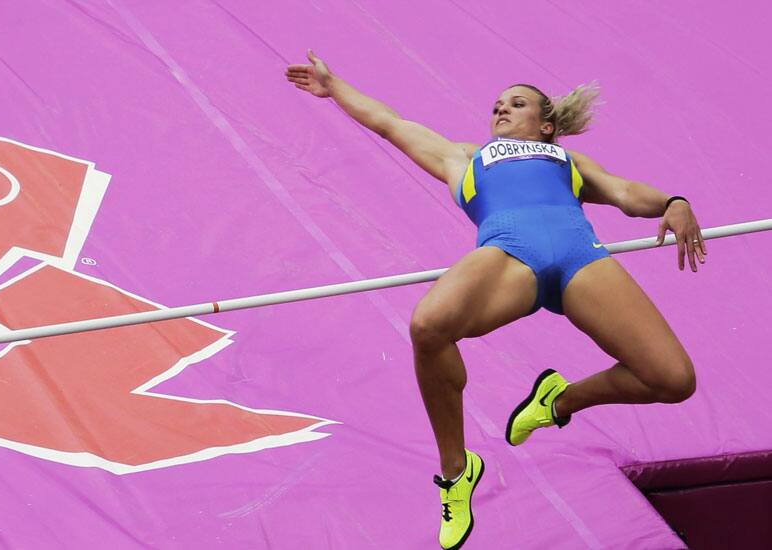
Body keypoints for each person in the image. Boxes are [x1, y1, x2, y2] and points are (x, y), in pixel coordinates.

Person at [286, 50, 705, 549]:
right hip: (510, 255)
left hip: (582, 260)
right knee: (428, 327)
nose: (501, 109)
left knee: (672, 379)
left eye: (517, 103)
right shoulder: (463, 158)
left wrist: (672, 202)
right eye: (496, 105)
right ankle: (456, 472)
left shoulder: (568, 161)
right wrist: (335, 87)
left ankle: (558, 400)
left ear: (547, 125)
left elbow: (624, 191)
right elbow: (389, 122)